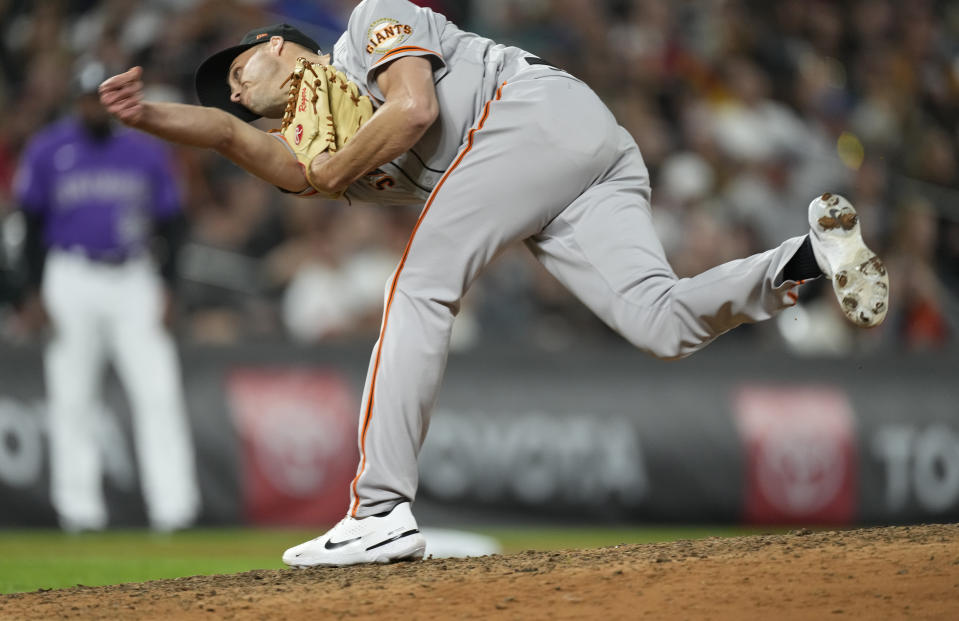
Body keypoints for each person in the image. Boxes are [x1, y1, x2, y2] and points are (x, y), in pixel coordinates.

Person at [98, 0, 888, 564]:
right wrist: (150, 117)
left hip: (534, 113)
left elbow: (409, 111)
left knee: (417, 287)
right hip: (577, 166)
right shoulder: (311, 149)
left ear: (282, 43)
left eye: (239, 68)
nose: (234, 90)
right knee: (661, 323)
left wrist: (336, 167)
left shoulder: (370, 22)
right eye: (228, 89)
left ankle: (376, 509)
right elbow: (231, 136)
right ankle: (801, 259)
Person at [15, 60, 200, 532]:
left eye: (100, 97)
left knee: (158, 392)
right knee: (72, 396)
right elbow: (30, 227)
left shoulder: (143, 151)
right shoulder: (49, 148)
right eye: (85, 97)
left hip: (134, 275)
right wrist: (32, 292)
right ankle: (79, 513)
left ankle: (174, 510)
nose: (93, 107)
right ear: (75, 102)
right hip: (70, 274)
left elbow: (173, 225)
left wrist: (168, 287)